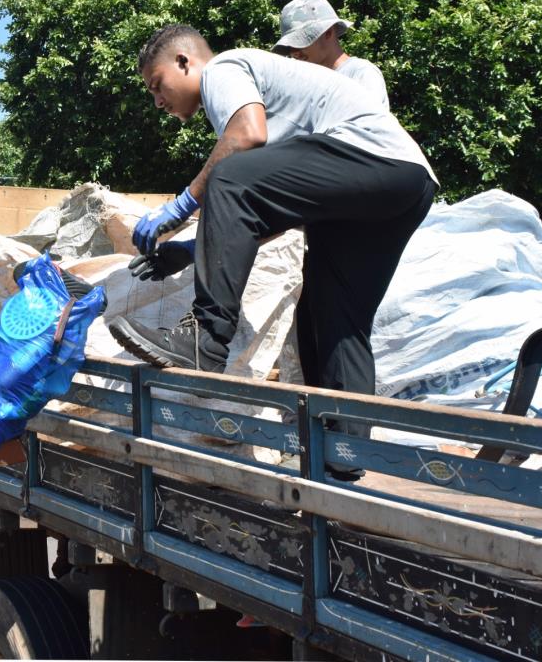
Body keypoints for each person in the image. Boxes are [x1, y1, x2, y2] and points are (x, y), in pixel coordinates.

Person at [110, 24, 438, 410]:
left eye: (156, 84)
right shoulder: (274, 107)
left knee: (228, 174)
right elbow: (267, 210)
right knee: (333, 318)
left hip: (369, 155)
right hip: (407, 181)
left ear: (184, 62)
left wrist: (182, 205)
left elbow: (246, 138)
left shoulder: (223, 69)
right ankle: (342, 451)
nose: (158, 102)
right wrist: (192, 247)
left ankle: (204, 339)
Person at [271, 0, 390, 111]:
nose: (294, 53)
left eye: (300, 43)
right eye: (289, 47)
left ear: (328, 32)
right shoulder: (306, 85)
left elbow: (367, 125)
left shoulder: (361, 73)